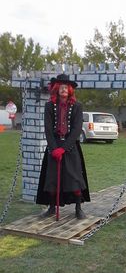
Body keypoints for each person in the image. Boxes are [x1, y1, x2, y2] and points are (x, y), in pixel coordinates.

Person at [36, 73, 90, 219]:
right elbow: (48, 129)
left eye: (66, 87)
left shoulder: (77, 106)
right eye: (61, 87)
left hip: (70, 146)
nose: (64, 89)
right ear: (57, 88)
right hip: (53, 147)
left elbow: (77, 129)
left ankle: (78, 208)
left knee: (75, 178)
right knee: (52, 179)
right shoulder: (49, 106)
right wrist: (54, 149)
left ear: (70, 90)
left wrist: (64, 148)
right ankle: (52, 208)